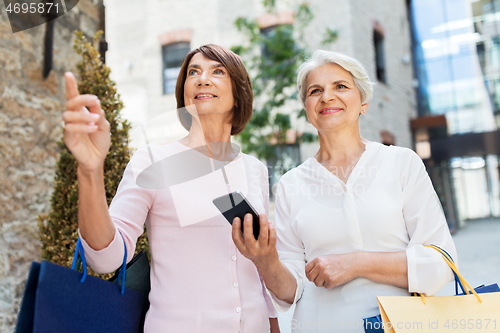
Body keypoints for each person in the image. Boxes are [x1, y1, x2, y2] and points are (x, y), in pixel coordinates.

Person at [232, 50, 457, 332]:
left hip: (402, 325)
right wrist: (265, 261)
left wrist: (355, 264)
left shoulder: (401, 163)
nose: (327, 97)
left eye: (340, 86)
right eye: (316, 90)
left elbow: (441, 262)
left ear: (363, 102)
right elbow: (291, 291)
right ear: (307, 109)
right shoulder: (291, 184)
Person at [62, 44, 279, 333]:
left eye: (217, 71)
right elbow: (106, 258)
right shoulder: (153, 161)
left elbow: (261, 279)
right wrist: (90, 171)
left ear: (239, 95)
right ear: (184, 93)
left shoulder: (255, 169)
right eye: (193, 72)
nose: (202, 78)